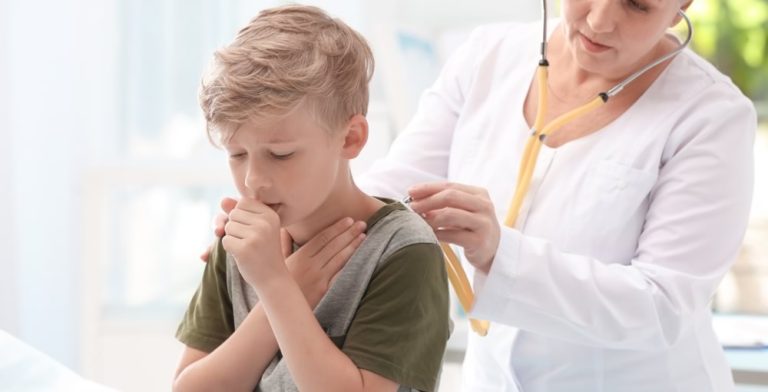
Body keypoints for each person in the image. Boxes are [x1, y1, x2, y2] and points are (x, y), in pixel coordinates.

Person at [210, 0, 757, 391]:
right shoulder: (489, 56)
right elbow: (387, 190)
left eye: (637, 5)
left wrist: (500, 251)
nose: (599, 18)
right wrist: (290, 218)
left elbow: (662, 305)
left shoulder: (711, 117)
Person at [174, 5, 450, 392]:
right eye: (236, 154)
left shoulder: (403, 252)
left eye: (281, 154)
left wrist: (276, 285)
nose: (253, 180)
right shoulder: (240, 243)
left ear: (350, 138)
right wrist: (282, 287)